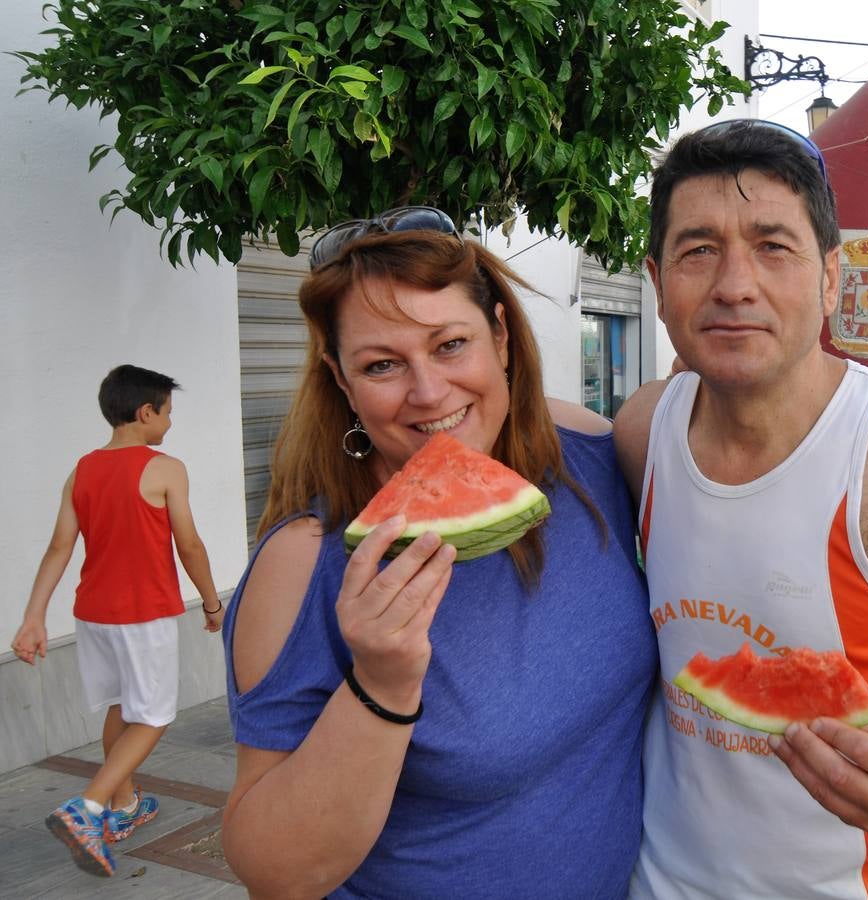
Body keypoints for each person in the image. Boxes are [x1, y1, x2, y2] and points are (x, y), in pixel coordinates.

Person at [614, 119, 868, 898]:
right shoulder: (640, 432)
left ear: (832, 278)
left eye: (773, 246)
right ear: (657, 280)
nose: (734, 284)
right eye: (697, 250)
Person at [218, 212, 654, 899]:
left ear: (501, 338)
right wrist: (381, 686)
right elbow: (274, 872)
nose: (427, 392)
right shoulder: (302, 563)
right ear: (341, 379)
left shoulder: (585, 456)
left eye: (450, 344)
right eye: (381, 365)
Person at [10, 364, 222, 878]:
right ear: (146, 412)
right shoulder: (166, 467)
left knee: (122, 706)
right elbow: (188, 544)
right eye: (167, 413)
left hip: (95, 615)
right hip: (142, 614)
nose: (170, 424)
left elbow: (61, 546)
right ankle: (89, 807)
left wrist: (33, 616)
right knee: (152, 716)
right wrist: (212, 603)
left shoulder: (81, 469)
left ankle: (123, 807)